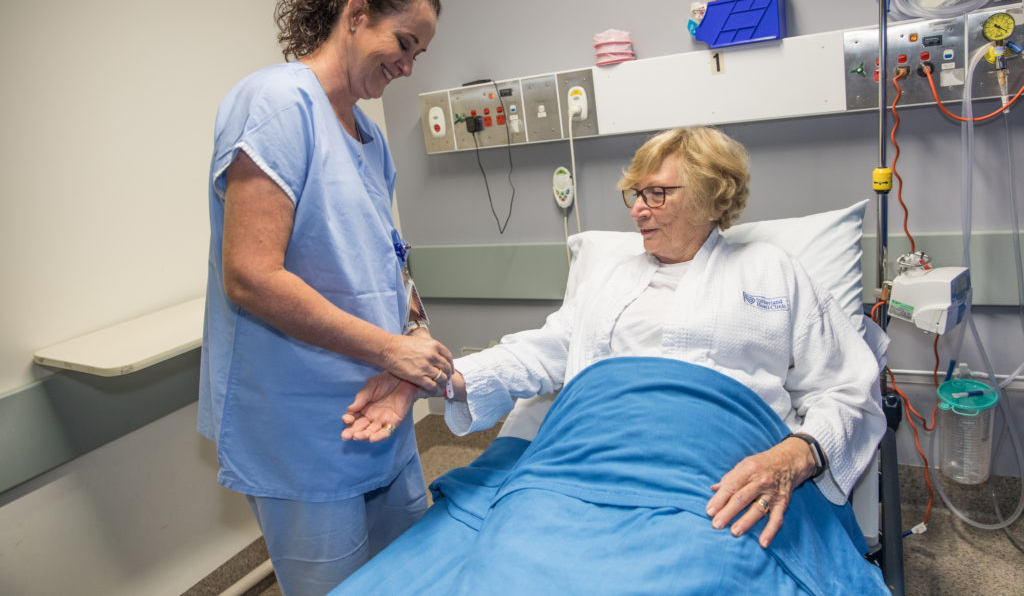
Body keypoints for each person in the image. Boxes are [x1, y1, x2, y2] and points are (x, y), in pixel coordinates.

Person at [341, 126, 885, 551]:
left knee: (700, 563)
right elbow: (543, 351)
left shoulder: (773, 271)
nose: (636, 208)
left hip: (716, 472)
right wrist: (439, 379)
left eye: (656, 193)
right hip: (589, 455)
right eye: (633, 192)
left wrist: (795, 454)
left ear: (713, 195)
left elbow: (847, 388)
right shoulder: (614, 275)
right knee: (515, 553)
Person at [197, 0, 453, 594]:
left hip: (383, 406)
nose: (408, 65)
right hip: (304, 425)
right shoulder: (278, 104)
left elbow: (387, 261)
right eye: (404, 43)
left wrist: (413, 338)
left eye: (419, 53)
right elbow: (250, 275)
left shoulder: (368, 134)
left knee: (409, 578)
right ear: (357, 12)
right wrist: (391, 351)